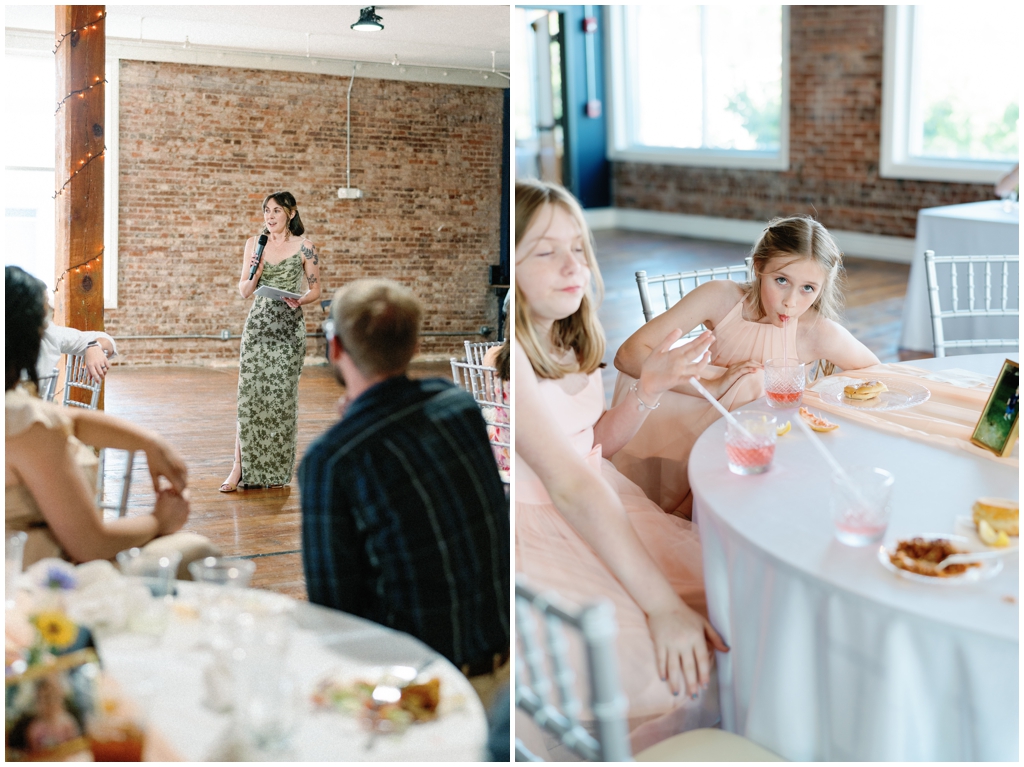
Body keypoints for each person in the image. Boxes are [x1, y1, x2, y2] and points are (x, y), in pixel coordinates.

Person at [514, 180, 729, 755]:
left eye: (579, 247)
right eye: (544, 250)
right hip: (546, 525)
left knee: (725, 604)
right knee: (661, 657)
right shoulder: (512, 359)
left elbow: (595, 447)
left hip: (597, 494)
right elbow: (570, 484)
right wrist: (660, 605)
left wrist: (650, 385)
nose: (572, 265)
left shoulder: (565, 340)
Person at [299, 279, 510, 708]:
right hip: (506, 664)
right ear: (414, 345)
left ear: (335, 348)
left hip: (423, 691)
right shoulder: (458, 406)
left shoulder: (333, 461)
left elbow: (335, 611)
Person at [612, 216, 879, 516]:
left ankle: (703, 509)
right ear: (759, 267)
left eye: (808, 288)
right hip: (686, 429)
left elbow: (877, 376)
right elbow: (627, 355)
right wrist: (713, 384)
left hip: (757, 454)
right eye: (781, 281)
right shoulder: (721, 298)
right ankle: (689, 510)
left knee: (758, 387)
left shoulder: (816, 332)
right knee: (753, 380)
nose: (791, 302)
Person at [5, 266, 217, 574]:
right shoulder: (32, 430)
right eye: (43, 319)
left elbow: (70, 418)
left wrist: (150, 442)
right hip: (34, 577)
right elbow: (89, 543)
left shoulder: (19, 411)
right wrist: (159, 520)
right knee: (196, 552)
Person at [221, 191, 321, 492]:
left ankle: (275, 472)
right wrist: (257, 271)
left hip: (288, 330)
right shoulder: (254, 244)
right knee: (249, 398)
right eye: (266, 211)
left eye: (276, 211)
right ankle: (239, 468)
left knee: (281, 400)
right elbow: (244, 290)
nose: (270, 216)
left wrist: (301, 299)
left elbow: (315, 290)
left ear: (291, 214)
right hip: (259, 328)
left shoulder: (306, 247)